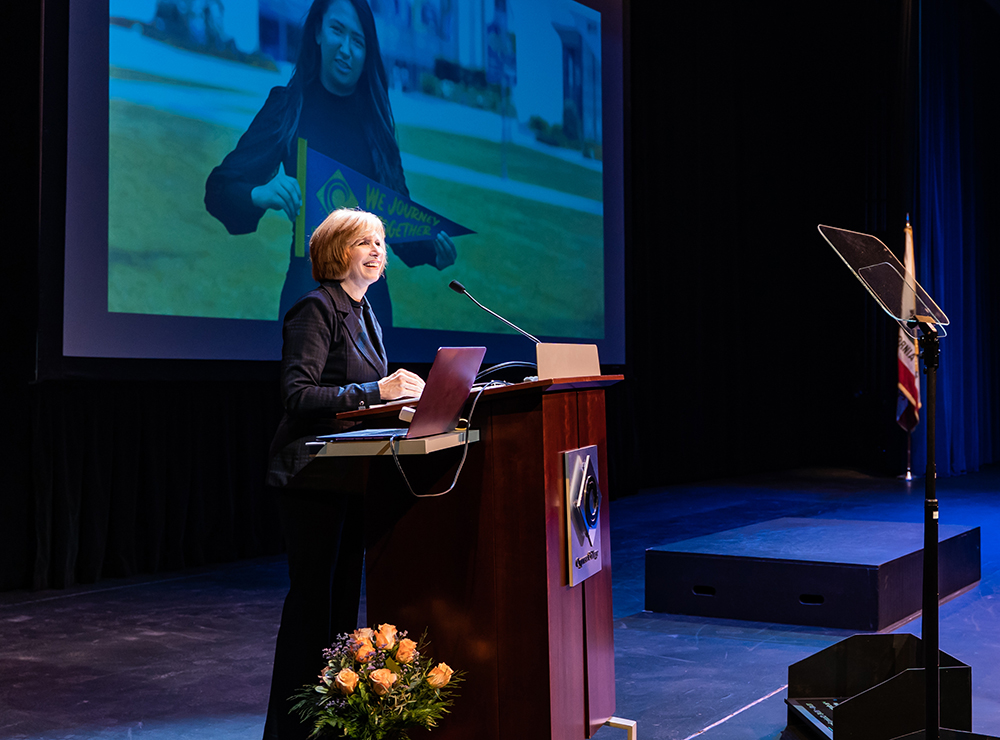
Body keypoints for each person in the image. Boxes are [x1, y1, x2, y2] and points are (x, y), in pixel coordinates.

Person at [262, 207, 425, 740]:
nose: (378, 250)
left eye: (380, 241)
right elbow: (298, 394)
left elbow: (367, 402)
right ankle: (290, 729)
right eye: (365, 242)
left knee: (342, 610)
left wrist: (412, 406)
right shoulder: (315, 310)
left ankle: (332, 722)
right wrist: (377, 392)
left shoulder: (366, 313)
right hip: (311, 476)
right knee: (312, 606)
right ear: (337, 251)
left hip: (352, 475)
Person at [205, 0, 456, 326]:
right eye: (338, 30)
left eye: (359, 40)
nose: (346, 49)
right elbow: (219, 189)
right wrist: (260, 194)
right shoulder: (287, 107)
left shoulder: (377, 125)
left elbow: (394, 217)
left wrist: (433, 251)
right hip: (307, 300)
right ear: (319, 32)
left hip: (371, 309)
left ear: (368, 53)